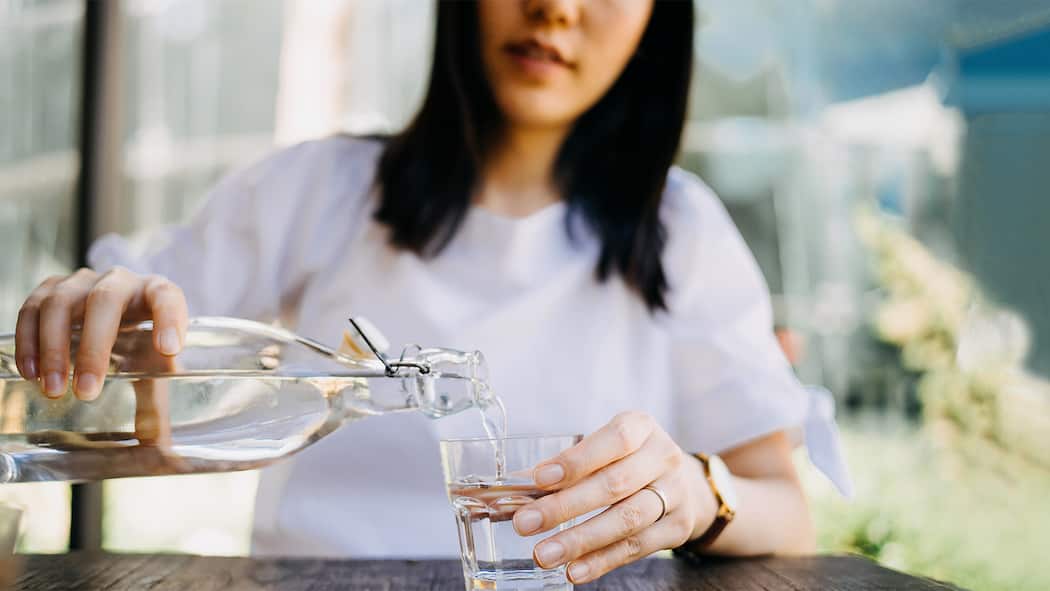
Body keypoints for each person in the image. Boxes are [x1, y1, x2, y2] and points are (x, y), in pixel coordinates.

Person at [14, 0, 849, 583]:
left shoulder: (683, 232)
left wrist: (700, 492)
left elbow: (789, 514)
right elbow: (153, 329)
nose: (554, 7)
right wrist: (99, 321)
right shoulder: (321, 188)